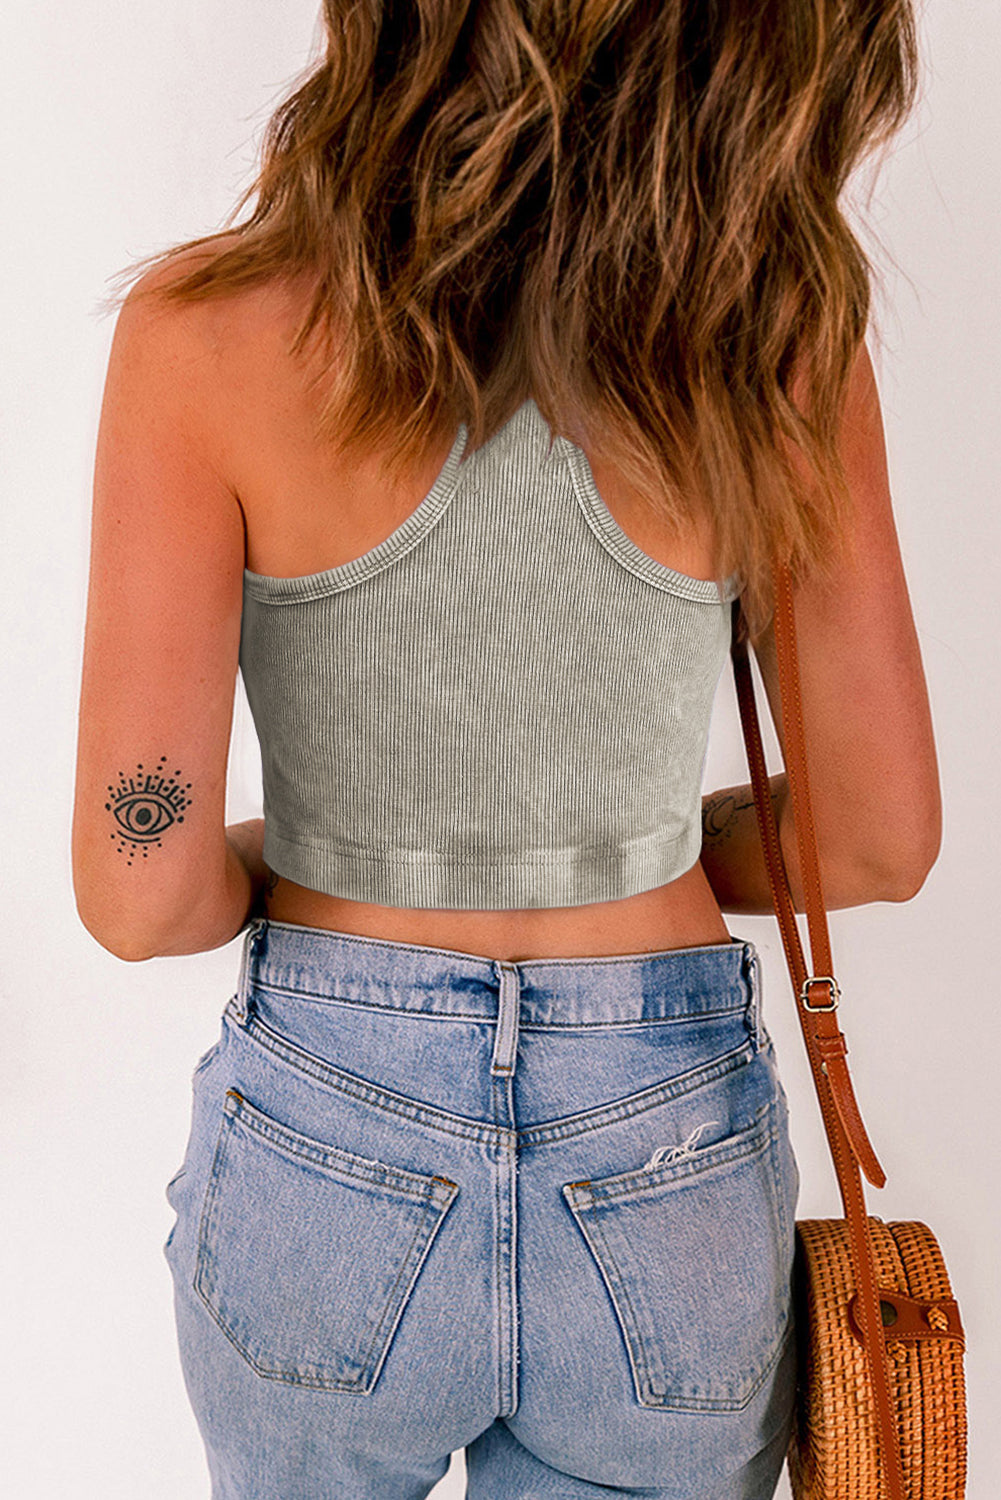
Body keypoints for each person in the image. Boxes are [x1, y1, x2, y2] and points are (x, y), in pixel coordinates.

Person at [71, 3, 938, 1496]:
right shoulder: (774, 341)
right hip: (661, 1149)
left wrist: (315, 860)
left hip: (327, 1125)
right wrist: (633, 848)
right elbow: (874, 837)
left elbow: (138, 893)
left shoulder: (206, 333)